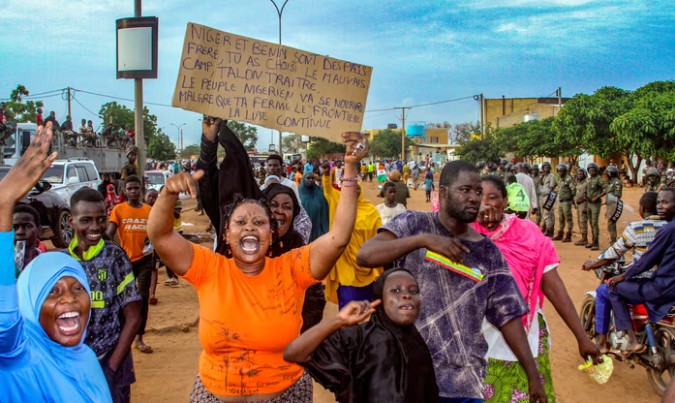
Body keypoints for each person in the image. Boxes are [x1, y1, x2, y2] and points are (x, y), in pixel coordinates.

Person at [147, 130, 369, 402]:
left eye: (259, 223)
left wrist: (349, 166)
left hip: (287, 393)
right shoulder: (209, 268)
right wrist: (168, 193)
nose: (250, 227)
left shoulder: (292, 268)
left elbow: (338, 239)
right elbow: (161, 236)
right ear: (226, 234)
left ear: (271, 234)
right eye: (240, 223)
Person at [356, 160, 546, 402]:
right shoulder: (414, 224)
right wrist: (422, 240)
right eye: (465, 190)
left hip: (464, 384)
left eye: (478, 192)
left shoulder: (487, 251)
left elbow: (507, 315)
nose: (474, 198)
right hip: (407, 377)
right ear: (443, 192)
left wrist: (532, 373)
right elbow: (366, 255)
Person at [0, 122, 112, 402]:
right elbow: (4, 323)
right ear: (29, 301)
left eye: (78, 288)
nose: (70, 300)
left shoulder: (84, 357)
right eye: (52, 291)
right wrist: (4, 203)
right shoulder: (21, 358)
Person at [473, 176, 599, 402]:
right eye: (479, 198)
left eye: (492, 197)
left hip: (526, 334)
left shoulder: (528, 234)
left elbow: (554, 288)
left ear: (504, 200)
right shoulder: (462, 235)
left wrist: (582, 337)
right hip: (477, 338)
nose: (486, 204)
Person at [284, 269, 440, 403]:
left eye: (413, 291)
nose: (406, 295)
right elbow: (294, 353)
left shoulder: (420, 347)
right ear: (380, 299)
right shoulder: (356, 338)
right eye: (396, 290)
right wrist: (338, 321)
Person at [65, 188, 142, 402]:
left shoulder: (115, 257)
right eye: (86, 220)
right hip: (73, 364)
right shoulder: (63, 262)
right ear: (71, 221)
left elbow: (134, 317)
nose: (95, 227)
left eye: (101, 219)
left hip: (110, 359)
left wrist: (110, 367)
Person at [582, 192, 666, 353]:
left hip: (644, 284)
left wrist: (594, 263)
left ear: (642, 209)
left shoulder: (637, 228)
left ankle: (618, 341)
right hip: (666, 284)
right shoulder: (669, 227)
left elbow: (614, 252)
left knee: (608, 289)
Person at [605, 188, 675, 353]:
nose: (661, 206)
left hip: (663, 288)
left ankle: (632, 339)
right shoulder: (667, 227)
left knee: (613, 288)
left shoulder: (668, 230)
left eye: (666, 202)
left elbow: (647, 260)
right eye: (659, 202)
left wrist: (622, 276)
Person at [322, 163, 383, 309]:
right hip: (345, 263)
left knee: (367, 310)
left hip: (366, 264)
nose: (352, 192)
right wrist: (326, 173)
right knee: (348, 307)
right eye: (348, 189)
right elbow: (328, 190)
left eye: (356, 188)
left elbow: (378, 236)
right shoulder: (339, 203)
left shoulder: (371, 210)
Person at [106, 175, 154, 354]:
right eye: (130, 188)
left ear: (141, 189)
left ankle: (139, 338)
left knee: (142, 298)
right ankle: (120, 335)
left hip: (145, 260)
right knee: (121, 299)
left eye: (136, 188)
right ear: (124, 191)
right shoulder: (118, 210)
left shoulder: (149, 211)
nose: (133, 191)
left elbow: (156, 233)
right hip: (124, 262)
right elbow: (110, 233)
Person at [298, 172, 329, 243]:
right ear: (303, 179)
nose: (311, 180)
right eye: (308, 178)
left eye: (312, 178)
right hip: (303, 229)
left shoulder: (320, 192)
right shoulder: (298, 193)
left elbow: (325, 211)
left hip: (318, 228)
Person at [13, 204, 42, 277]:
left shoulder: (46, 261)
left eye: (27, 226)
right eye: (14, 227)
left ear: (39, 230)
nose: (20, 232)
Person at [586, 162, 606, 250]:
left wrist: (597, 197)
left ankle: (596, 242)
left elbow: (606, 189)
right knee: (590, 222)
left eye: (593, 170)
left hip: (595, 204)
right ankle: (593, 240)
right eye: (590, 170)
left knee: (594, 223)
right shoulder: (589, 179)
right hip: (588, 203)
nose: (591, 172)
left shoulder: (599, 179)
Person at [553, 164, 575, 242]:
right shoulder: (560, 180)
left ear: (565, 171)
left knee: (568, 218)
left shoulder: (568, 179)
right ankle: (560, 233)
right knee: (561, 218)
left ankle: (568, 235)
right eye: (559, 171)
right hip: (561, 201)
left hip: (567, 201)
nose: (560, 172)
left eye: (562, 171)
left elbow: (573, 190)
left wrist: (572, 199)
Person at [538, 161, 558, 237]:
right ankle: (548, 230)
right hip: (543, 197)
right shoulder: (544, 176)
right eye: (544, 167)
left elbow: (552, 187)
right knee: (545, 214)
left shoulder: (551, 176)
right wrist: (541, 177)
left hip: (549, 197)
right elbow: (541, 184)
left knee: (548, 214)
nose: (545, 169)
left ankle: (549, 231)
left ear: (549, 168)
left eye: (547, 167)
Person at [605, 165, 623, 245]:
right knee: (610, 224)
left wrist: (613, 208)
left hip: (614, 205)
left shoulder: (616, 183)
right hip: (610, 205)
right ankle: (613, 239)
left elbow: (617, 195)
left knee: (611, 223)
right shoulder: (610, 182)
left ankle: (613, 241)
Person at [574, 168, 590, 246]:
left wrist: (583, 199)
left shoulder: (587, 183)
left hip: (584, 204)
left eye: (581, 174)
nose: (579, 175)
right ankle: (582, 237)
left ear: (585, 174)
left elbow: (589, 194)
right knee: (579, 221)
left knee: (583, 221)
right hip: (578, 204)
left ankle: (585, 238)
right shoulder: (578, 183)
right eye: (578, 174)